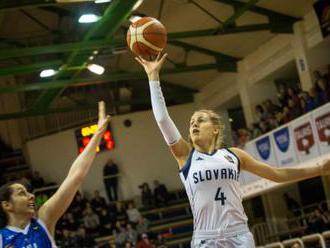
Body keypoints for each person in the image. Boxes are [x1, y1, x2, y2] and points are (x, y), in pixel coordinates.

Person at [135, 53, 330, 248]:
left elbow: (277, 174)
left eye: (200, 120)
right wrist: (153, 78)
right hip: (207, 238)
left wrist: (319, 169)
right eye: (191, 122)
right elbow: (162, 119)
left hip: (239, 235)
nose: (194, 124)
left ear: (215, 128)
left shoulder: (235, 155)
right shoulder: (186, 155)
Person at [0, 101, 110, 247]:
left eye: (28, 192)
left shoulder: (44, 219)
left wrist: (98, 134)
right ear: (7, 205)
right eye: (22, 193)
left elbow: (75, 177)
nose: (31, 196)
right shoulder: (2, 238)